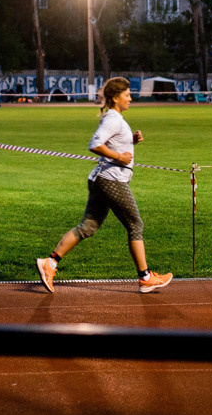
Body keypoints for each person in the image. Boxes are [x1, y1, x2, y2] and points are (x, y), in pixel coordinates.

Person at [36, 76, 173, 294]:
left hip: (101, 180)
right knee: (135, 225)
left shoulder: (114, 117)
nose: (131, 98)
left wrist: (132, 141)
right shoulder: (113, 119)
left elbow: (110, 141)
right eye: (127, 95)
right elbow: (94, 144)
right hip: (111, 180)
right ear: (116, 97)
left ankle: (49, 263)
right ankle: (145, 277)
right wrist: (119, 156)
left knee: (87, 227)